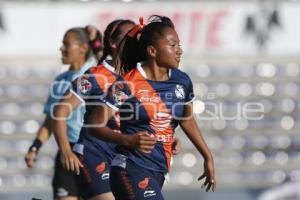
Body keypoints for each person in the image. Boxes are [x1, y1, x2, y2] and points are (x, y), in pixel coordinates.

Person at [87, 15, 216, 200]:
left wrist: (207, 156)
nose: (179, 51)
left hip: (158, 172)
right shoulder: (127, 84)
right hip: (130, 169)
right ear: (152, 50)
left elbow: (186, 118)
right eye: (172, 45)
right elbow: (94, 126)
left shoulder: (182, 80)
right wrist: (128, 140)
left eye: (179, 45)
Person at [53, 19, 181, 200]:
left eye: (137, 37)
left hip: (124, 158)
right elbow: (60, 111)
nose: (134, 41)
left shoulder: (139, 78)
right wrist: (66, 150)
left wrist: (166, 137)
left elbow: (143, 119)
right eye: (127, 37)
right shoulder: (95, 75)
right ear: (113, 43)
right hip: (94, 154)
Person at [24, 27, 102, 200]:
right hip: (66, 153)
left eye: (66, 44)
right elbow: (50, 120)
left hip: (93, 153)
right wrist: (35, 147)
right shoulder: (60, 80)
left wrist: (97, 39)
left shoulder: (96, 75)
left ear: (83, 47)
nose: (61, 48)